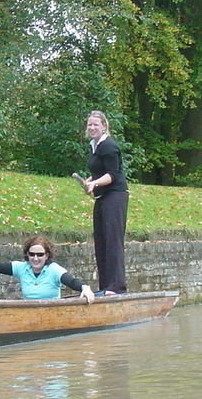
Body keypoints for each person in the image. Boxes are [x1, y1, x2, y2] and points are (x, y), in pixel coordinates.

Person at [0, 236, 95, 303]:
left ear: (47, 255)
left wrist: (85, 287)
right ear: (27, 255)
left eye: (40, 255)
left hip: (51, 310)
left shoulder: (54, 270)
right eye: (32, 254)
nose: (35, 258)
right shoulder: (21, 268)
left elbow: (71, 281)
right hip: (29, 312)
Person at [84, 110, 128, 295]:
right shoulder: (94, 145)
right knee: (100, 241)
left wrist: (95, 183)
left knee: (112, 240)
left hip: (115, 196)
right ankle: (105, 287)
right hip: (102, 198)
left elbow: (112, 174)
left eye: (96, 124)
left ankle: (117, 287)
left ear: (104, 126)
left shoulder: (109, 146)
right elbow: (98, 172)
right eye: (89, 125)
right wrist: (90, 181)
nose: (92, 128)